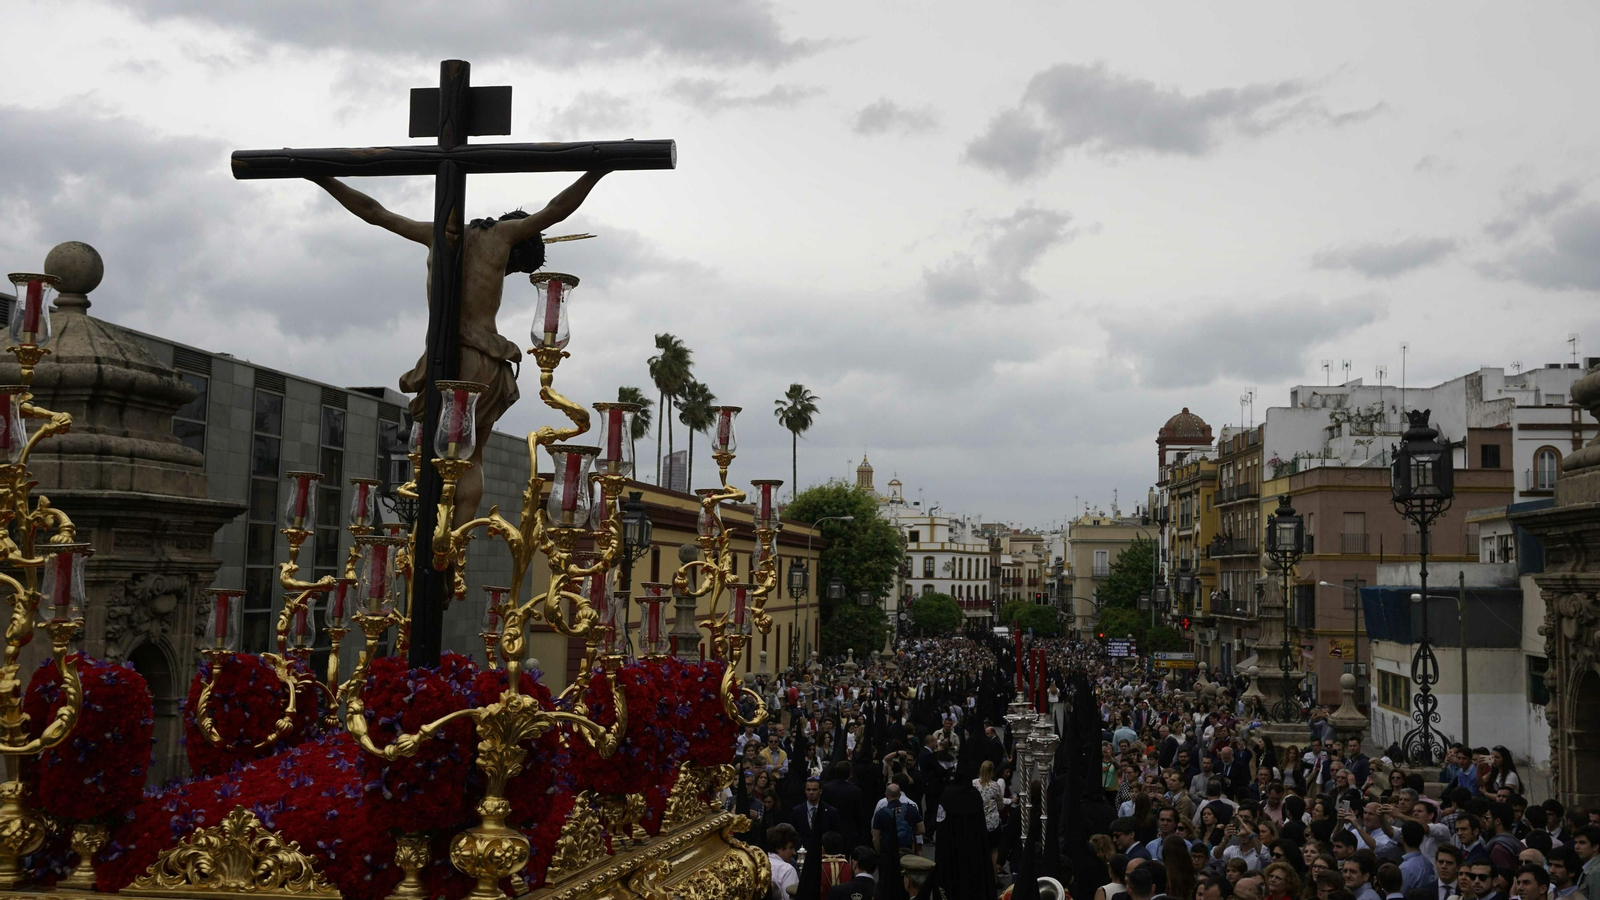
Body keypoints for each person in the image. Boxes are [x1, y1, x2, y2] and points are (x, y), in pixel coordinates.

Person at [309, 169, 609, 527]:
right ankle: (454, 541)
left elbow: (374, 211)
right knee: (471, 457)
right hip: (481, 361)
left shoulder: (434, 233)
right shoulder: (504, 235)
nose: (507, 272)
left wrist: (323, 179)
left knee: (437, 455)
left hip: (438, 361)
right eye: (514, 268)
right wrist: (597, 169)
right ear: (518, 247)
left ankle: (435, 536)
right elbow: (556, 208)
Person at [871, 783, 923, 855]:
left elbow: (875, 839)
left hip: (888, 852)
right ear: (900, 795)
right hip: (907, 851)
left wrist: (880, 854)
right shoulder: (912, 809)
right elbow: (921, 830)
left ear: (886, 795)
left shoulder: (881, 813)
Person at [793, 777, 843, 848]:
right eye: (808, 789)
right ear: (805, 791)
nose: (811, 792)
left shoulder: (831, 812)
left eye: (814, 789)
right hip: (803, 850)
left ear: (820, 791)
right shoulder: (797, 811)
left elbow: (837, 835)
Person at [1400, 821, 1440, 895]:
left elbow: (1401, 893)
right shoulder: (1427, 862)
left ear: (1402, 839)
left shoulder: (1404, 868)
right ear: (1421, 839)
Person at [767, 824, 800, 900]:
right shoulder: (787, 869)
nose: (794, 852)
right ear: (779, 848)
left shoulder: (758, 862)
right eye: (791, 847)